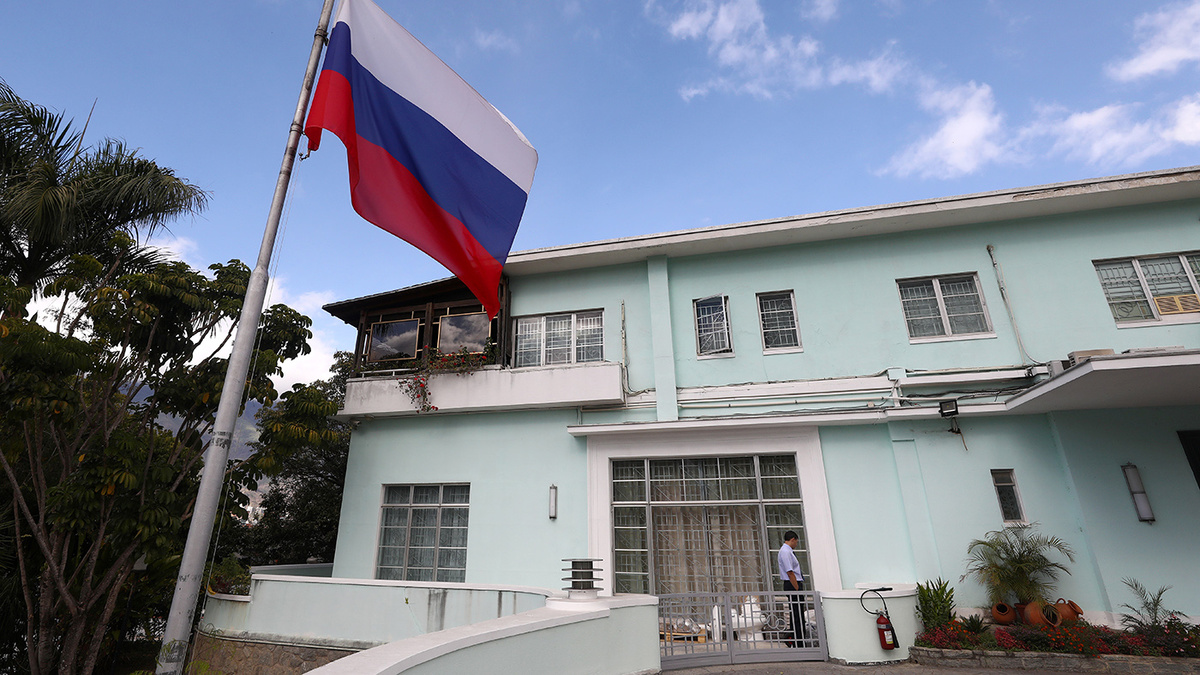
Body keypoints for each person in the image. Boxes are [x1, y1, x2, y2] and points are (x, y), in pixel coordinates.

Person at [777, 530, 805, 646]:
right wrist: (797, 588)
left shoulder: (788, 551)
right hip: (792, 583)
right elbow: (790, 572)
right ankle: (798, 640)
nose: (796, 544)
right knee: (797, 613)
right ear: (792, 539)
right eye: (796, 542)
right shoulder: (785, 551)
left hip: (793, 582)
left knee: (798, 612)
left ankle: (797, 638)